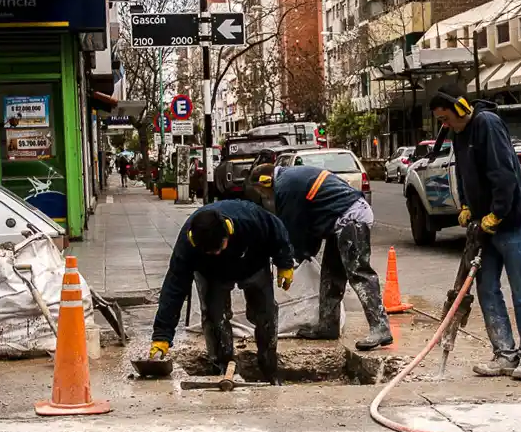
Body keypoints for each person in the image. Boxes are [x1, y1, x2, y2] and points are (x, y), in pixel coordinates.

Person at [429, 85, 521, 381]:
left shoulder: (486, 124)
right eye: (440, 121)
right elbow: (464, 173)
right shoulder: (458, 133)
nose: (445, 125)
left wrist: (498, 213)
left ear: (460, 109)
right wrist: (466, 205)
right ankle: (504, 353)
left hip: (511, 222)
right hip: (483, 227)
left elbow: (504, 173)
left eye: (445, 118)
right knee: (487, 288)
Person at [246, 163, 392, 351]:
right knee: (331, 276)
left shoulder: (285, 186)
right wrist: (305, 254)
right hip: (338, 221)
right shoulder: (291, 179)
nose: (264, 197)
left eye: (261, 192)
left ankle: (381, 327)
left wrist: (290, 258)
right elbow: (308, 227)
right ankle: (328, 326)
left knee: (359, 273)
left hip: (351, 218)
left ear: (266, 182)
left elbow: (292, 228)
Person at [149, 200, 295, 384]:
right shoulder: (187, 245)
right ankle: (222, 367)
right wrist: (162, 335)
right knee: (214, 317)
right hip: (212, 275)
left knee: (265, 313)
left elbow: (277, 231)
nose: (217, 253)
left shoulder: (249, 219)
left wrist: (285, 262)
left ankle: (269, 366)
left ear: (228, 232)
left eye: (220, 247)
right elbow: (175, 287)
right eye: (211, 251)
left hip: (253, 263)